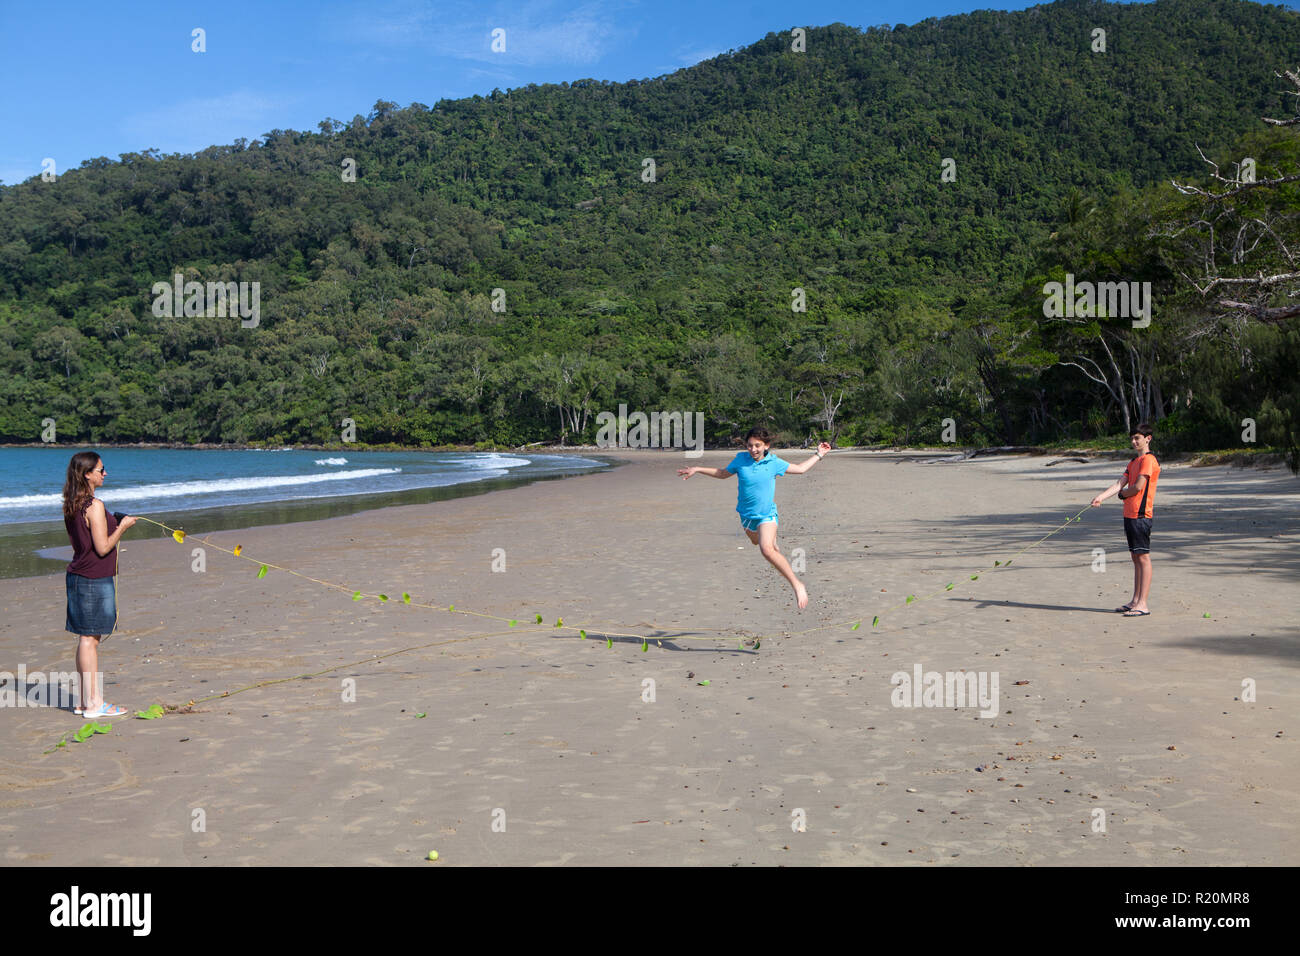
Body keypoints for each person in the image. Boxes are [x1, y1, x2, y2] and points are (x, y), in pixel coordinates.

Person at [678, 428, 831, 609]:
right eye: (750, 445)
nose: (753, 449)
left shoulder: (773, 463)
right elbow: (722, 473)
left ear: (766, 445)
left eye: (757, 445)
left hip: (767, 515)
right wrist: (698, 468)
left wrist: (819, 454)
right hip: (746, 517)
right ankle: (772, 545)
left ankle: (797, 585)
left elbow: (800, 469)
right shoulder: (741, 460)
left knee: (766, 550)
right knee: (758, 543)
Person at [62, 451, 136, 717]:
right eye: (101, 470)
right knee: (89, 639)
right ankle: (94, 703)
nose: (106, 474)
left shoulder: (72, 503)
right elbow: (103, 547)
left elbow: (83, 540)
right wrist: (123, 526)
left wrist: (112, 519)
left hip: (79, 575)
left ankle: (84, 702)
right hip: (92, 578)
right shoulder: (93, 505)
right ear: (87, 474)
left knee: (87, 638)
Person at [1090, 424, 1160, 617]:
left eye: (1137, 438)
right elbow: (1119, 483)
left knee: (1143, 557)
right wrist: (1101, 497)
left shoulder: (1149, 460)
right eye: (1132, 438)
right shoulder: (1133, 462)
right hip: (1129, 514)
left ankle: (1143, 604)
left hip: (1141, 515)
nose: (1134, 442)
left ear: (1148, 438)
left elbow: (1137, 487)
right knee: (1135, 557)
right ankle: (1135, 600)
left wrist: (1122, 495)